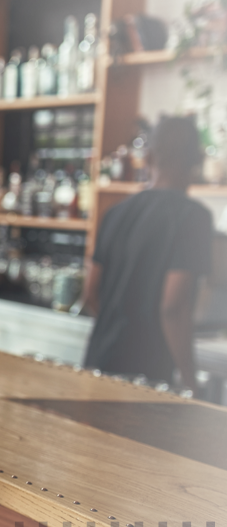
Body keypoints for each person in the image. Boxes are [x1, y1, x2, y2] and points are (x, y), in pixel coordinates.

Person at [83, 115, 212, 392]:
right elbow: (173, 307)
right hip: (147, 377)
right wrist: (191, 383)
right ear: (196, 162)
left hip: (97, 365)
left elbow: (91, 291)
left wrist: (118, 333)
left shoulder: (115, 213)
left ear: (149, 157)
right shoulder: (194, 218)